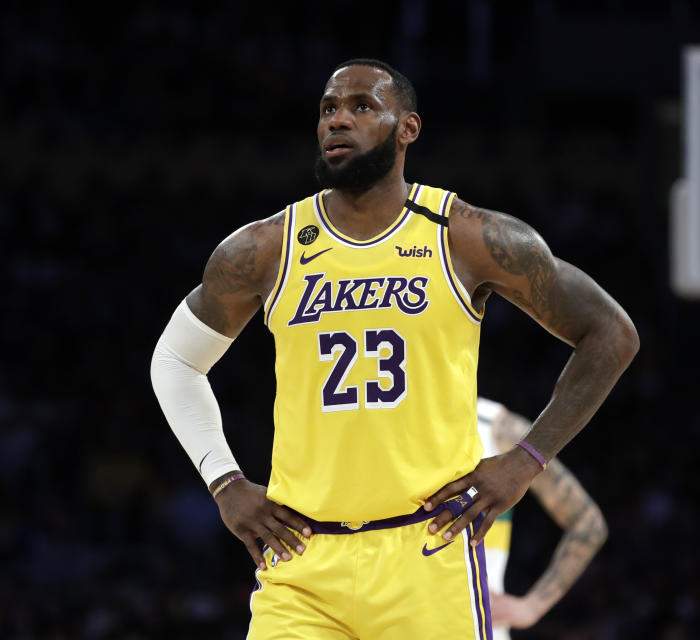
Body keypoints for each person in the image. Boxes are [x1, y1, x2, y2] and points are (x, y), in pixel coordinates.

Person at [150, 58, 638, 639]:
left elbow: (611, 334)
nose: (338, 121)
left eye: (361, 106)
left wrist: (526, 460)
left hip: (428, 553)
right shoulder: (265, 247)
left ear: (407, 128)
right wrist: (225, 482)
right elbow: (176, 361)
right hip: (303, 560)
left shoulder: (467, 236)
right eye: (329, 108)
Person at [477, 398, 607, 639]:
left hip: (477, 628)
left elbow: (588, 523)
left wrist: (532, 606)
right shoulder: (390, 423)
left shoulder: (493, 425)